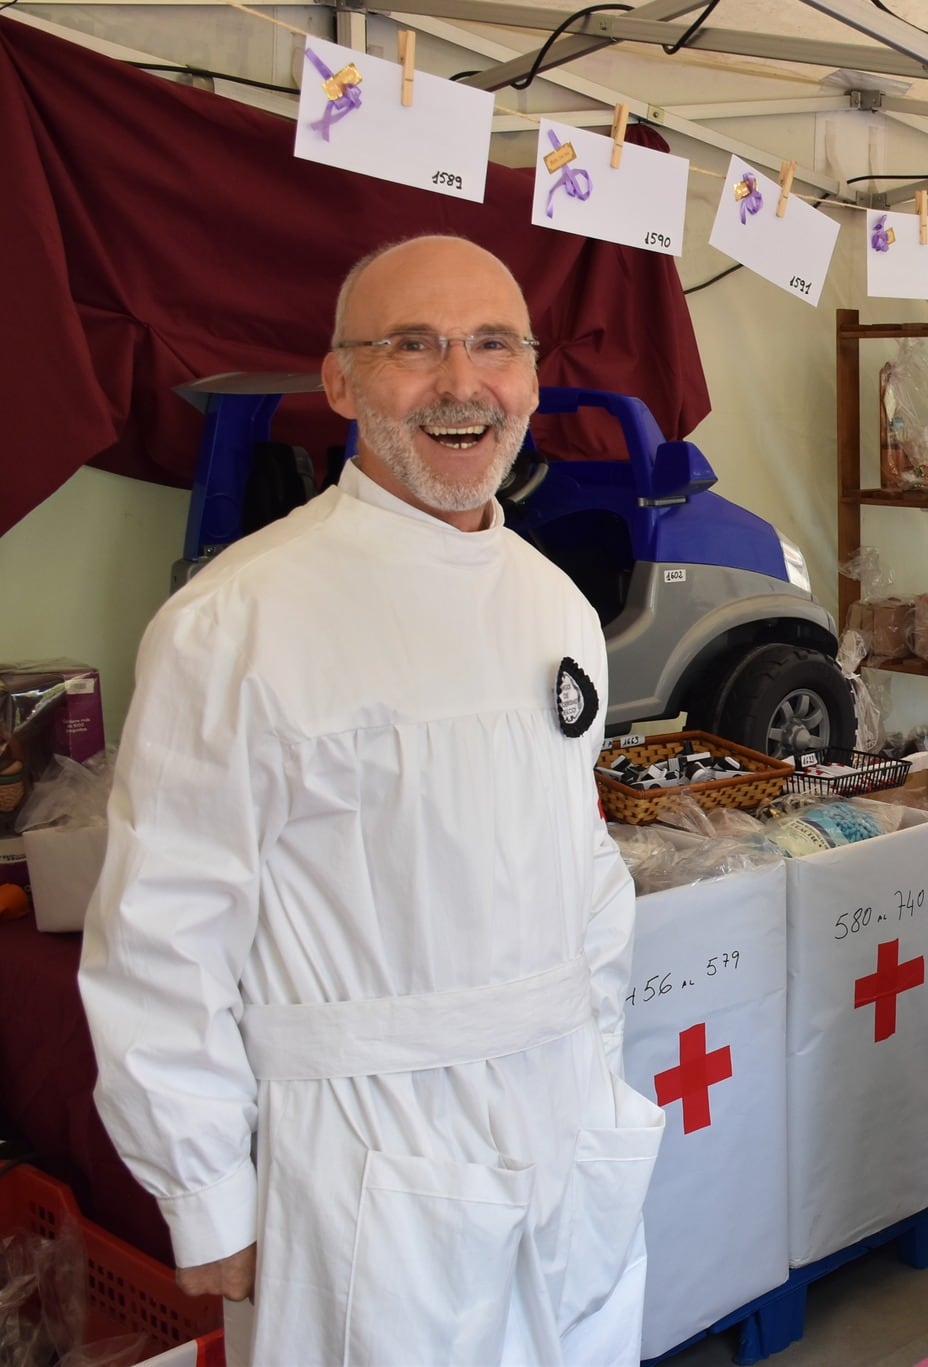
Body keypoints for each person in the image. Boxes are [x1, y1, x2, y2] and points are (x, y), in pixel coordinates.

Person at [79, 235, 663, 1366]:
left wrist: (593, 1068)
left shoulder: (554, 608)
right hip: (359, 1159)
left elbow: (580, 869)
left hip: (560, 1117)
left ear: (533, 380)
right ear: (340, 383)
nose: (460, 382)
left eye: (492, 345)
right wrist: (205, 1189)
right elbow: (162, 933)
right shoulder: (238, 620)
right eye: (414, 345)